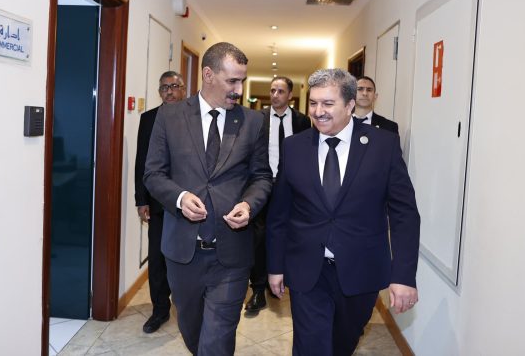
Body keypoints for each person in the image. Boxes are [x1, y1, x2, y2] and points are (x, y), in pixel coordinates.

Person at [267, 68, 420, 356]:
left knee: (342, 344)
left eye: (328, 103)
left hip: (361, 270)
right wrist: (275, 266)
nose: (318, 111)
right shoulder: (294, 146)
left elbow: (405, 214)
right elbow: (279, 213)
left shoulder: (383, 145)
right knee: (311, 347)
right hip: (307, 269)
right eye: (313, 103)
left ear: (350, 105)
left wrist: (403, 275)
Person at [144, 42, 273, 355]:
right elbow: (153, 174)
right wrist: (180, 197)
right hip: (183, 253)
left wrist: (248, 204)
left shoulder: (253, 122)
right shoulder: (169, 116)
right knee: (192, 332)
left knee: (217, 339)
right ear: (208, 75)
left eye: (242, 80)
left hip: (231, 254)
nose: (239, 90)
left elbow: (261, 177)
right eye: (232, 81)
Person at [245, 76, 311, 315]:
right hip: (263, 184)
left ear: (290, 95)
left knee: (287, 234)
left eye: (280, 91)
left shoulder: (303, 121)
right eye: (272, 90)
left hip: (291, 188)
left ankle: (280, 280)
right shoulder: (257, 119)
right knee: (259, 237)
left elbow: (308, 154)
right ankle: (258, 289)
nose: (275, 95)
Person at [134, 71, 186, 333]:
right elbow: (141, 161)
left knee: (186, 257)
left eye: (174, 86)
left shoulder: (195, 117)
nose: (169, 91)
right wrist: (141, 199)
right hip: (157, 202)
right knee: (157, 258)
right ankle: (160, 310)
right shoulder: (149, 119)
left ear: (183, 89)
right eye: (164, 87)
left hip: (188, 202)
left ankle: (187, 306)